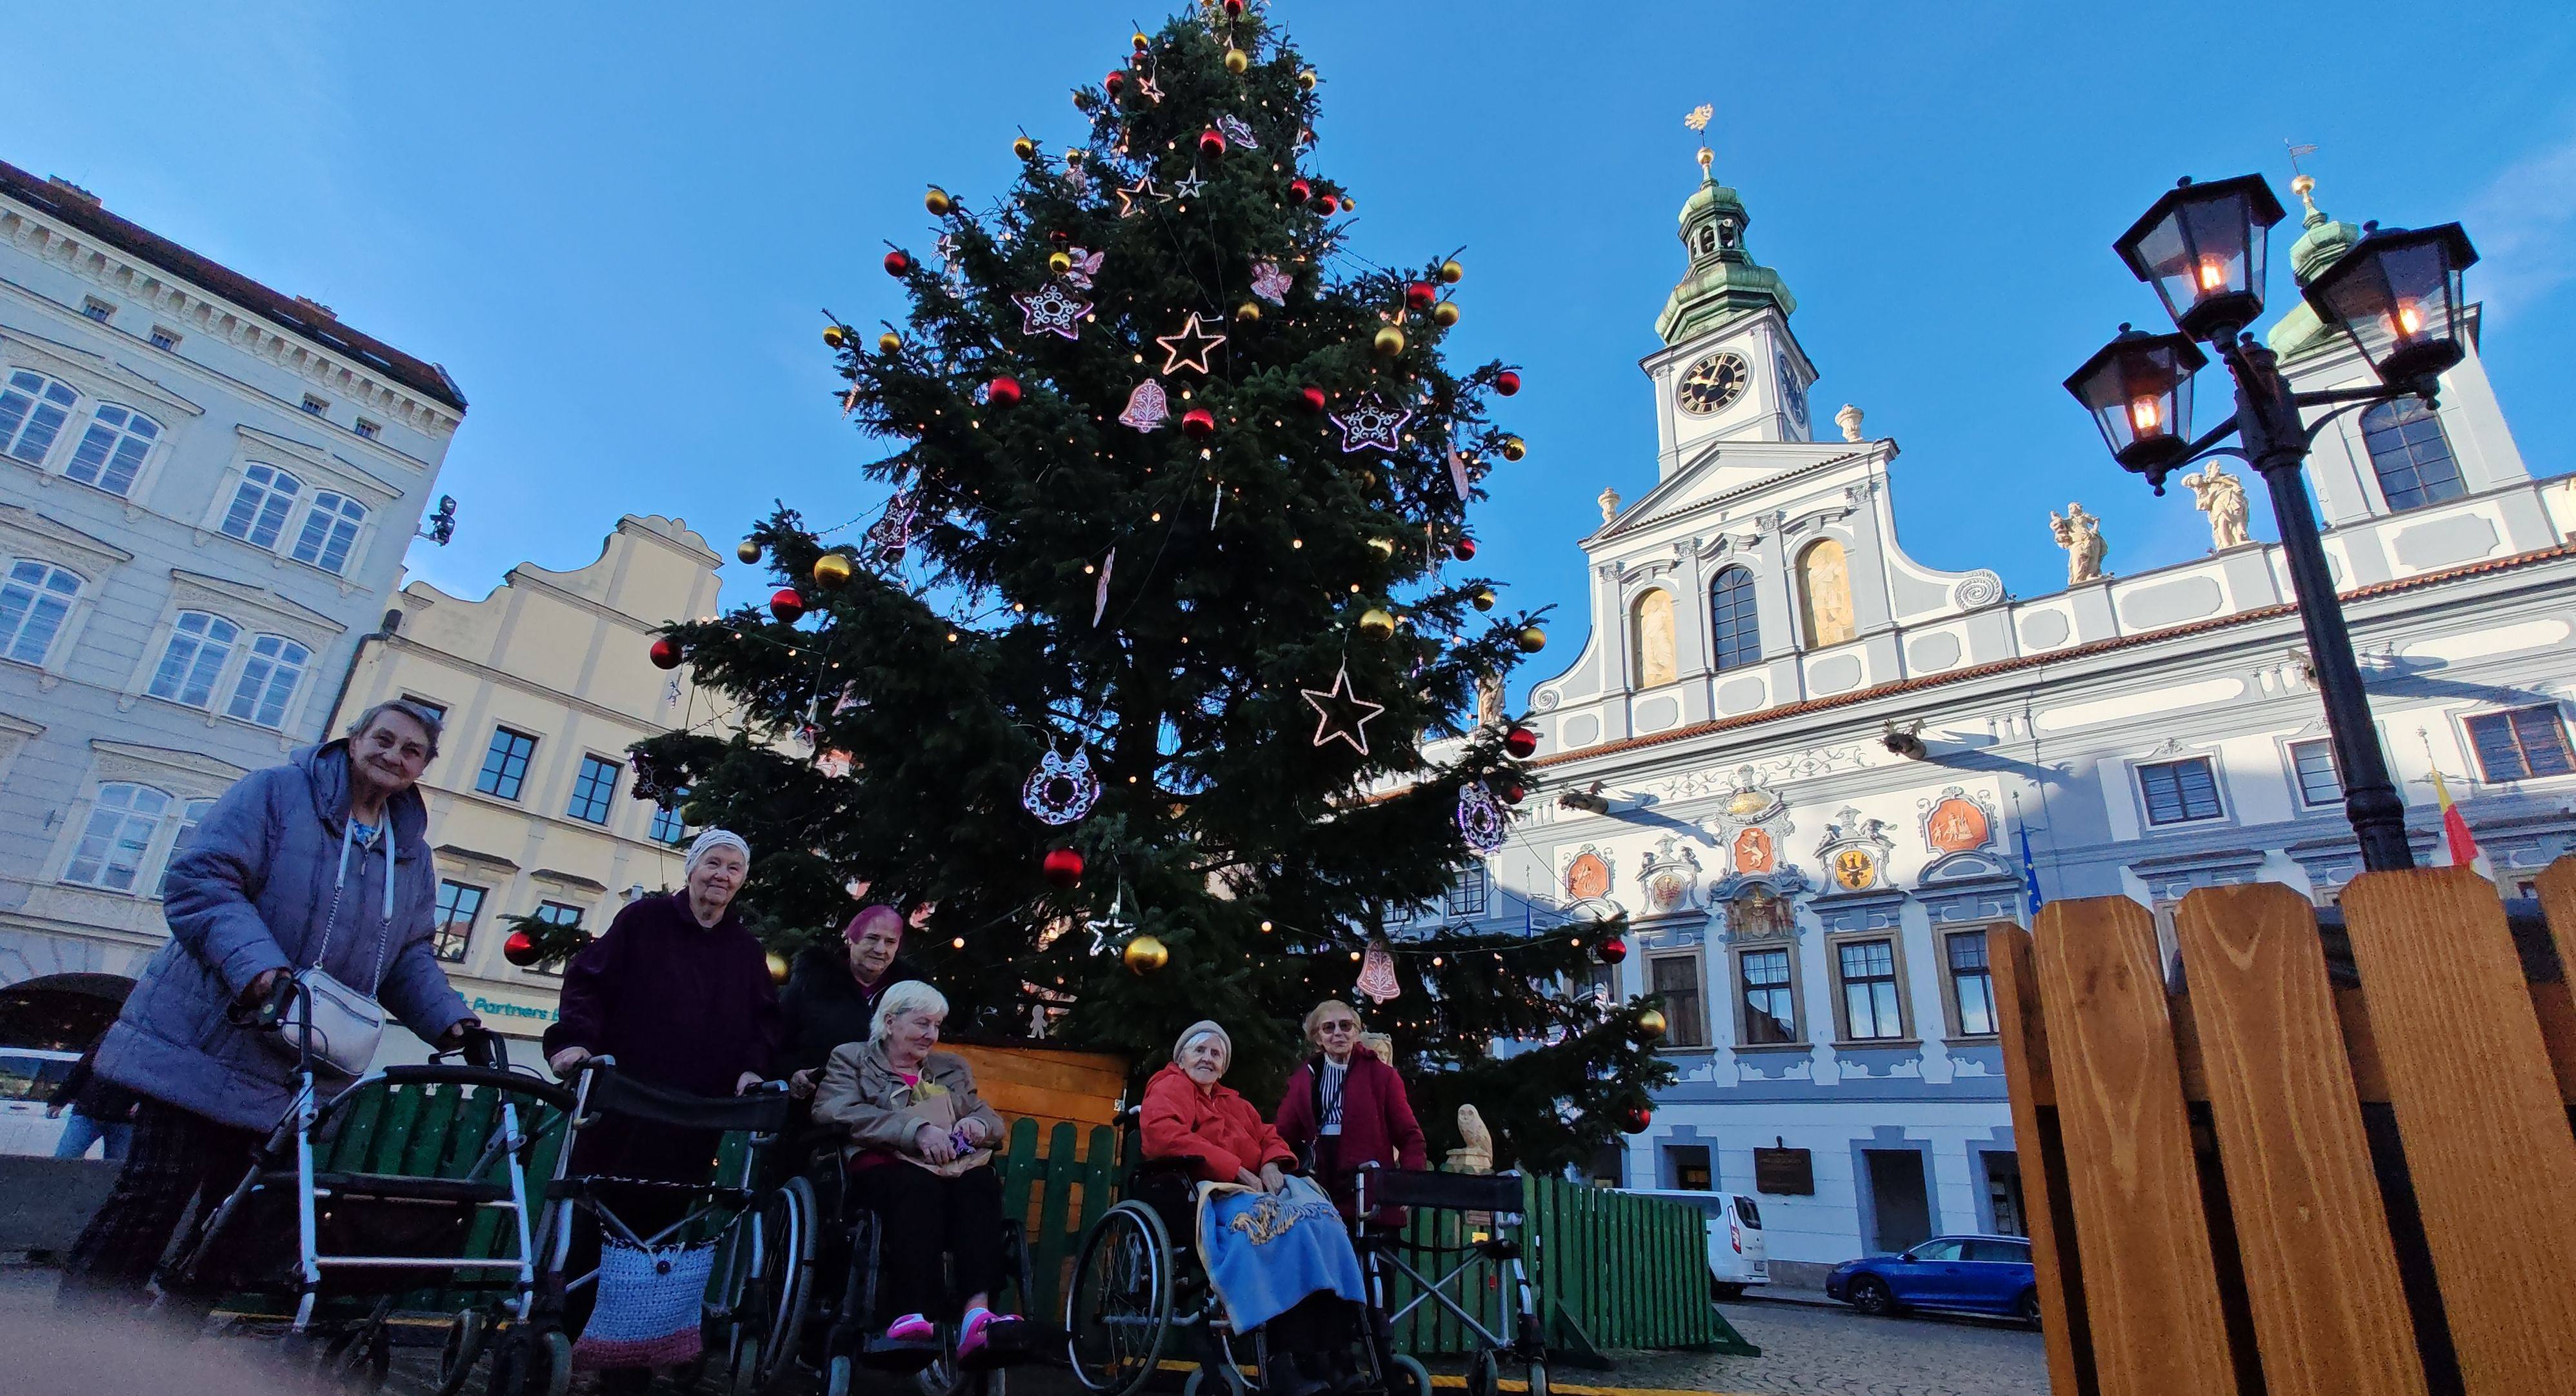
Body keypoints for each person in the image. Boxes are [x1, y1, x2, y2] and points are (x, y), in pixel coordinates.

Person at [59, 701, 479, 1308]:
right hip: (204, 1041)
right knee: (152, 1199)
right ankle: (73, 1346)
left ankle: (163, 1357)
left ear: (423, 768)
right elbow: (201, 882)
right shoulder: (277, 794)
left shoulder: (408, 853)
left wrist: (452, 1019)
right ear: (354, 739)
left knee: (234, 1228)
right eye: (383, 739)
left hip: (292, 1071)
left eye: (411, 751)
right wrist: (258, 969)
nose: (393, 755)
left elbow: (408, 953)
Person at [810, 981, 1023, 1361]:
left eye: (937, 1025)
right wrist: (914, 1130)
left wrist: (977, 1127)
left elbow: (983, 1113)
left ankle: (977, 1313)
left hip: (949, 1168)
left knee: (980, 1184)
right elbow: (836, 1111)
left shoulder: (949, 1068)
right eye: (923, 1023)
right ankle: (911, 1312)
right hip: (884, 1165)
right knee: (916, 1187)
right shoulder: (852, 1059)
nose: (932, 1034)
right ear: (890, 1022)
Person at [1274, 1001, 1427, 1222]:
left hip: (1368, 1187)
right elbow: (1282, 1134)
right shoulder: (1304, 1079)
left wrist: (1408, 1182)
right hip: (1319, 1188)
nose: (1338, 1033)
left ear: (1356, 1032)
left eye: (1345, 1026)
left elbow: (1409, 1135)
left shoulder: (1382, 1076)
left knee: (1373, 1254)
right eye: (1329, 1028)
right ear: (1318, 1038)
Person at [779, 902, 930, 1100]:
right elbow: (778, 1039)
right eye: (872, 938)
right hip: (818, 1103)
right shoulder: (812, 982)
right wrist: (792, 1073)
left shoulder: (911, 994)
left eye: (890, 942)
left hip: (889, 1108)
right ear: (851, 939)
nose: (880, 949)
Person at [1139, 1021, 1294, 1193]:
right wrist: (1236, 1170)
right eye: (1199, 1050)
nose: (1207, 1059)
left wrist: (1270, 1165)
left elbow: (1268, 1136)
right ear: (1181, 1060)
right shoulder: (1172, 1086)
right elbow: (1164, 1136)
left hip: (1255, 1187)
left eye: (1216, 1054)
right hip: (1204, 1189)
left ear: (1222, 1068)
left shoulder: (1235, 1103)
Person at [48, 1028, 139, 1161]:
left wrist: (143, 1102)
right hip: (90, 1110)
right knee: (65, 1160)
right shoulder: (112, 1034)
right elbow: (82, 1068)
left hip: (122, 1115)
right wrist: (59, 1100)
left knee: (116, 1169)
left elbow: (155, 1077)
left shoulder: (149, 1041)